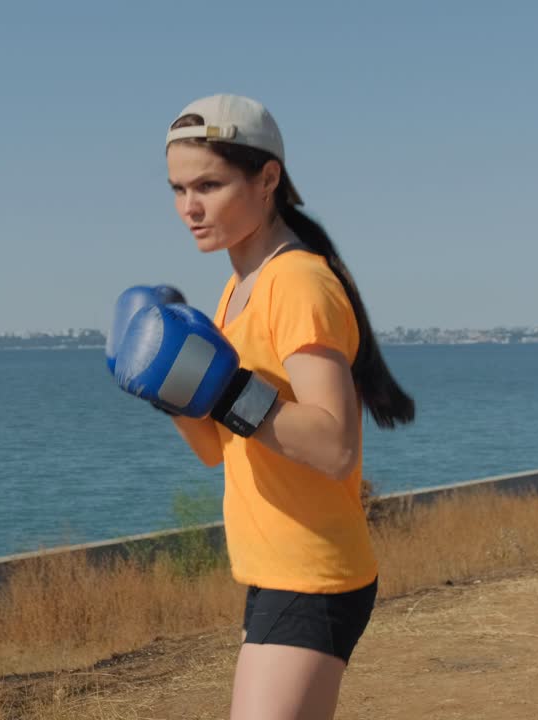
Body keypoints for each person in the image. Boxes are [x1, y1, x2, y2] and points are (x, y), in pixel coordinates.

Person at [108, 94, 416, 719]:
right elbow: (218, 450)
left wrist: (222, 388)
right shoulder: (235, 291)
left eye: (209, 185)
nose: (188, 207)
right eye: (177, 189)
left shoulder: (297, 284)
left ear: (267, 177)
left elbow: (335, 446)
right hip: (272, 568)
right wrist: (167, 390)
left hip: (313, 570)